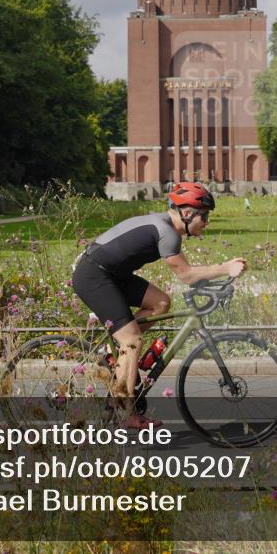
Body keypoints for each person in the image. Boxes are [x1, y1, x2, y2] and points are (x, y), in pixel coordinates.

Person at [71, 182, 246, 429]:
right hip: (94, 276)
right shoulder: (167, 233)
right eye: (204, 215)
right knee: (131, 340)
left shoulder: (166, 227)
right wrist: (225, 268)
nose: (206, 222)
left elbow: (186, 276)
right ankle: (126, 414)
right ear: (187, 213)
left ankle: (117, 358)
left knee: (161, 302)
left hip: (111, 273)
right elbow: (186, 275)